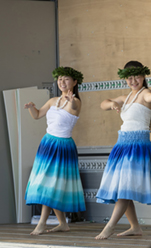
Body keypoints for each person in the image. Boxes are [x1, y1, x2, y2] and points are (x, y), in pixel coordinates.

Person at [95, 61, 151, 240]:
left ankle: (109, 226)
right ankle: (135, 227)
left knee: (124, 190)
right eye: (129, 77)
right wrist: (111, 104)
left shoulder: (146, 93)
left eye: (137, 76)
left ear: (143, 77)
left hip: (138, 147)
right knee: (123, 189)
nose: (133, 80)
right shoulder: (126, 97)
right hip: (122, 145)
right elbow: (103, 103)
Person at [24, 66, 86, 235]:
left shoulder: (76, 101)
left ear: (74, 82)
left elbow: (73, 109)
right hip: (47, 144)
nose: (62, 82)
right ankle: (62, 223)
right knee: (50, 184)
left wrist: (71, 100)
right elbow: (37, 115)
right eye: (59, 79)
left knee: (51, 184)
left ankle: (42, 223)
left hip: (62, 147)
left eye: (66, 79)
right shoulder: (53, 101)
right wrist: (31, 107)